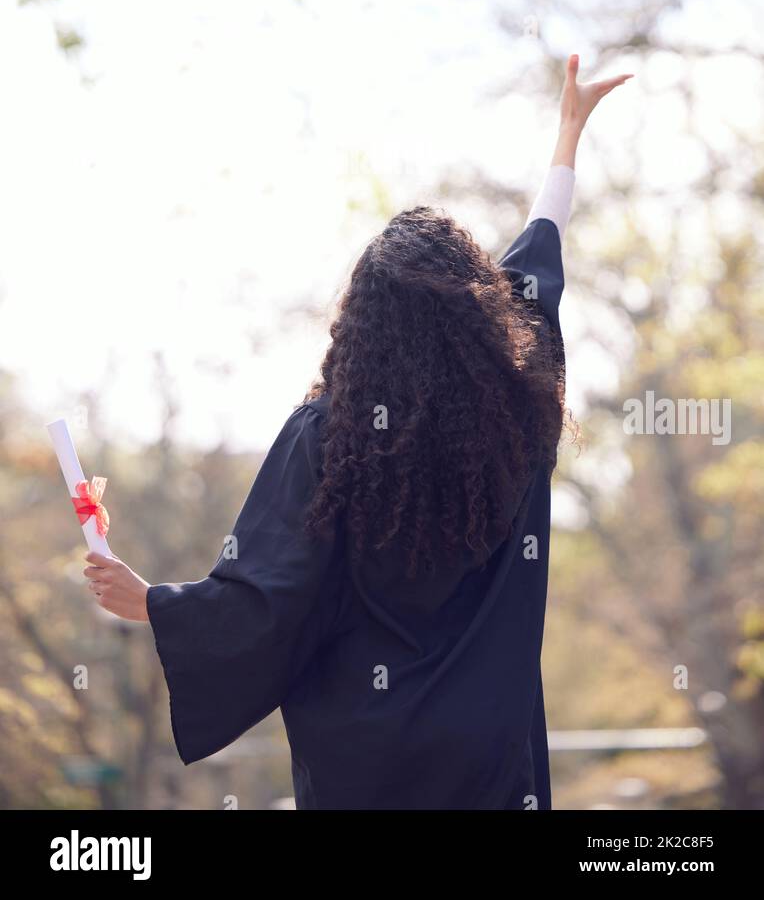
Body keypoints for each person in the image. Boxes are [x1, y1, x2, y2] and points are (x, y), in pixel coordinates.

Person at [84, 52, 632, 810]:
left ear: (361, 321)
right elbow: (538, 263)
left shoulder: (329, 438)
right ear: (478, 315)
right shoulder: (516, 414)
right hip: (490, 761)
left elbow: (267, 600)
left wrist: (155, 604)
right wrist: (568, 137)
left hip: (367, 769)